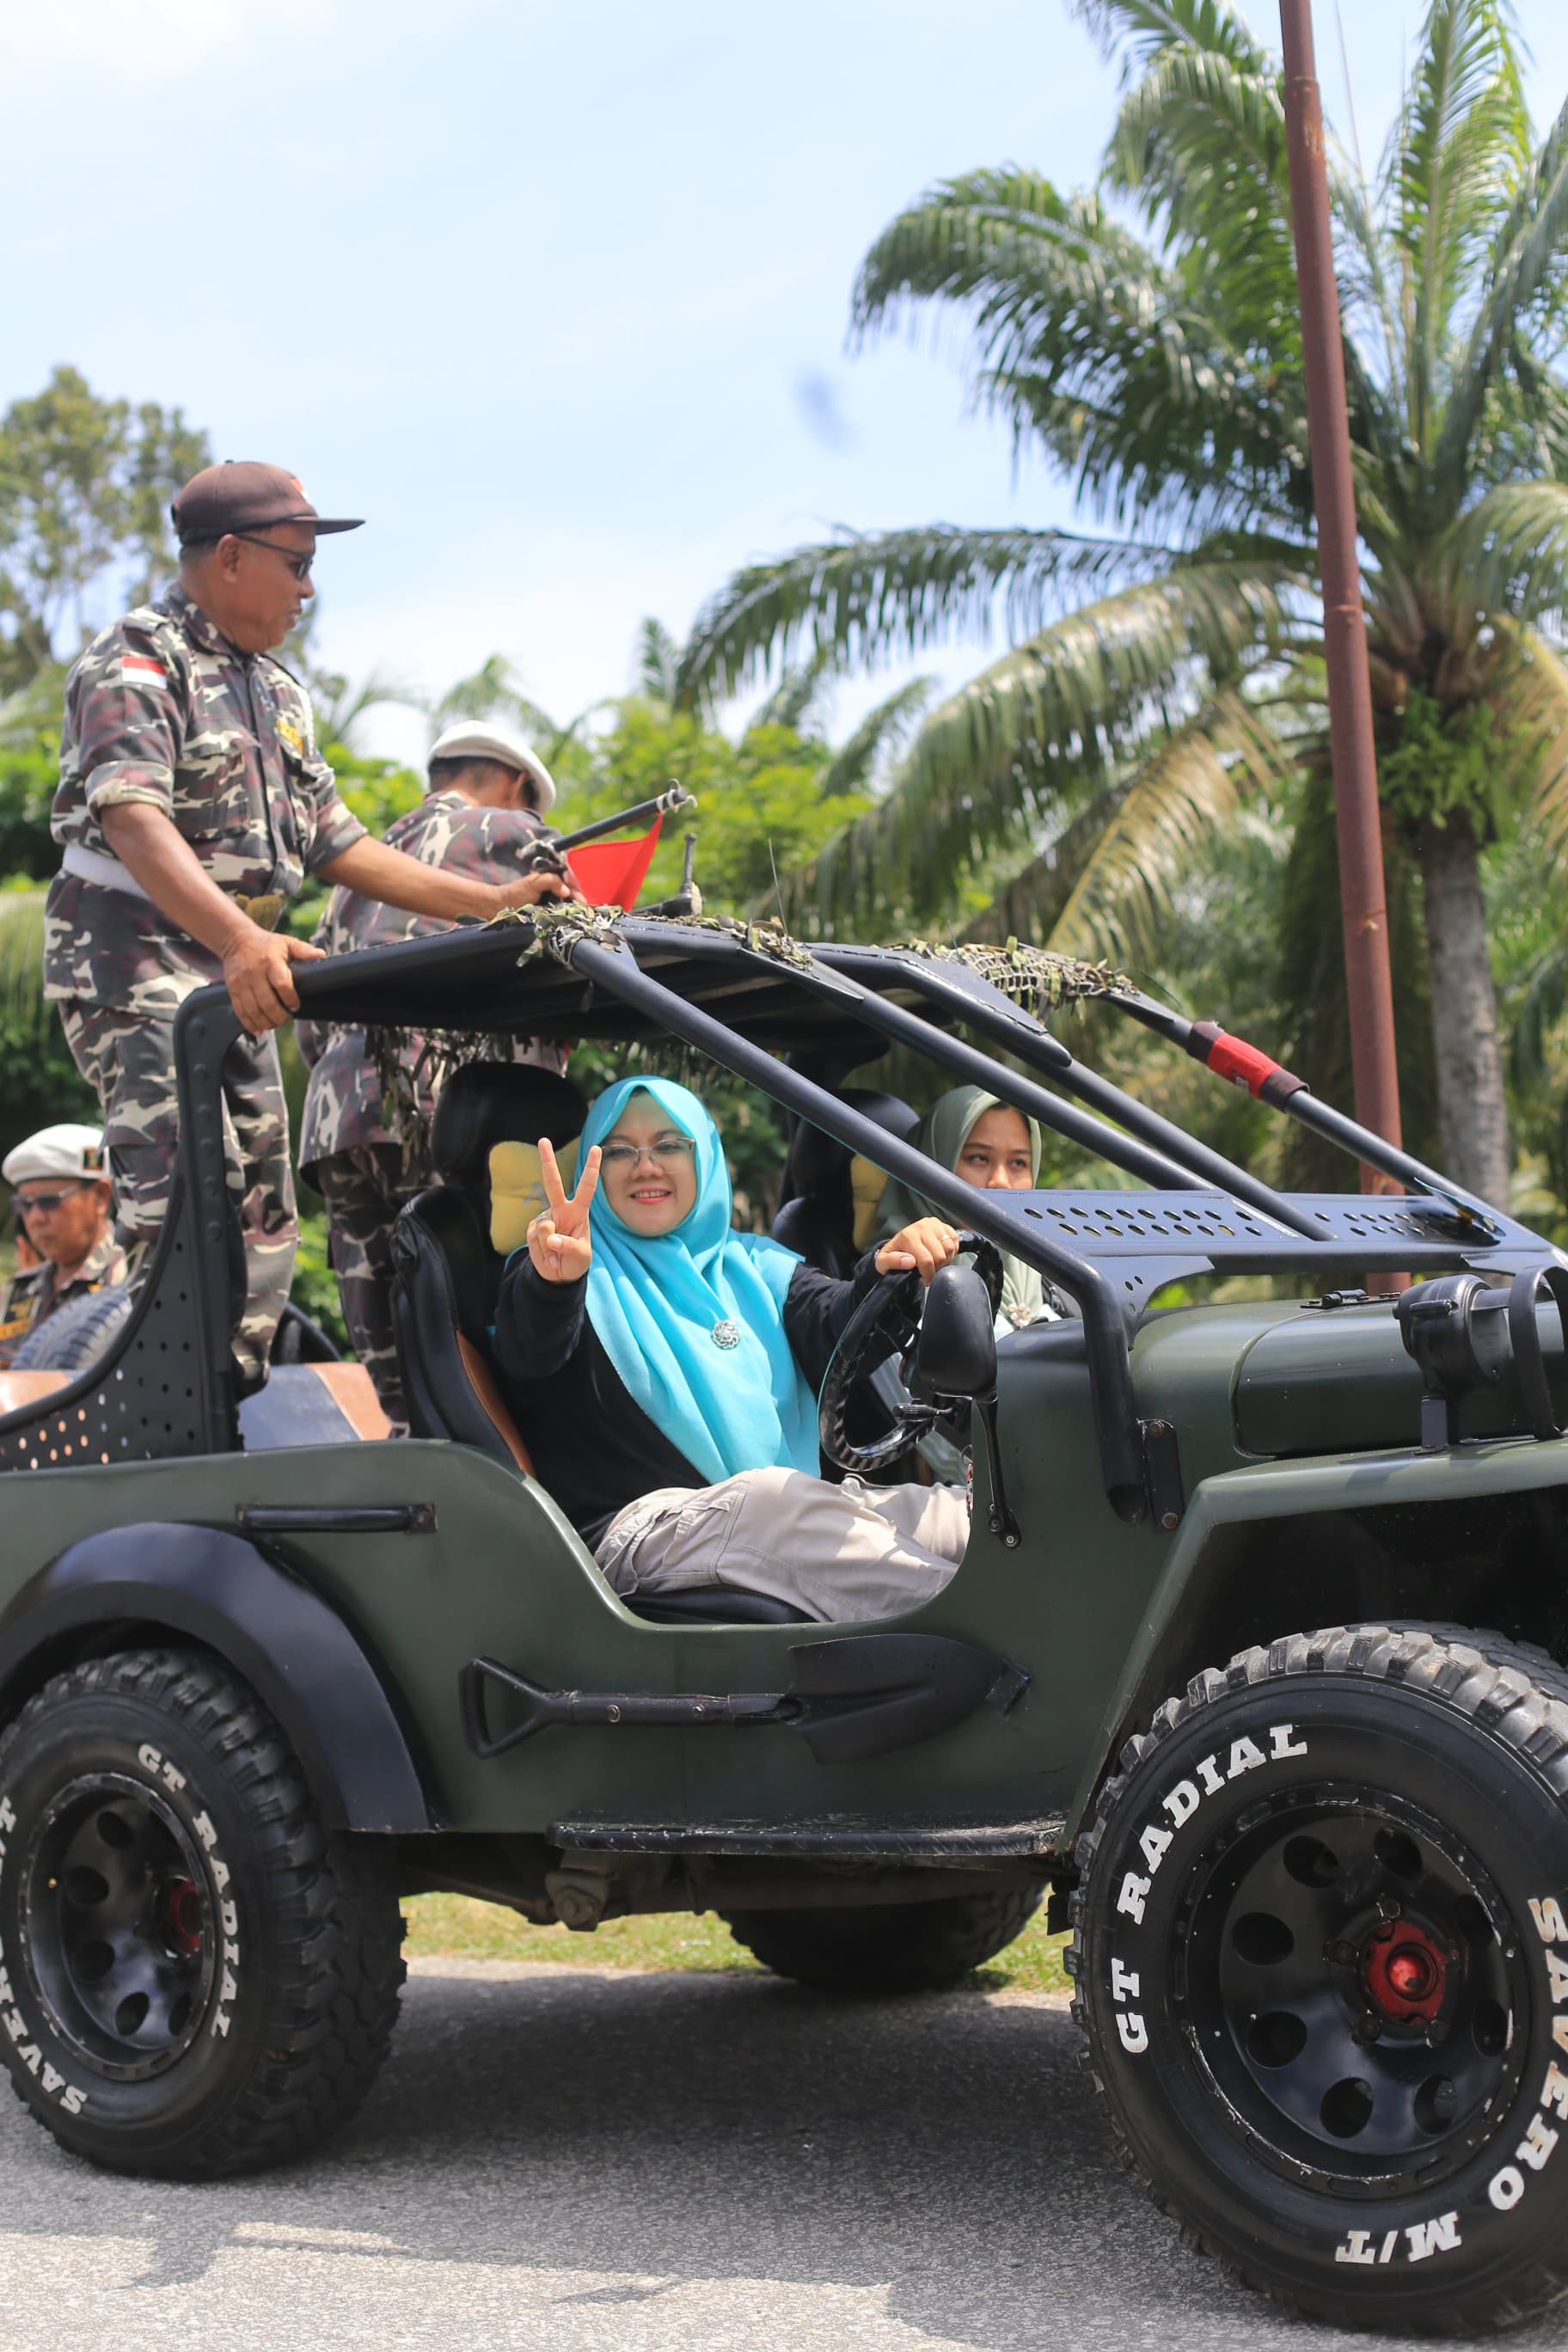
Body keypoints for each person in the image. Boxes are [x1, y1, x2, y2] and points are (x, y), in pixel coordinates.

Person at [43, 460, 576, 1386]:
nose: (309, 587)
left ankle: (225, 1402)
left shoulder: (277, 693)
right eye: (296, 564)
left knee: (260, 1214)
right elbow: (132, 817)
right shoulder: (136, 660)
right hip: (135, 952)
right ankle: (165, 1414)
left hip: (235, 963)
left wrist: (487, 902)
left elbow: (337, 840)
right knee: (180, 1202)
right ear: (233, 558)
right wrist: (239, 939)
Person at [493, 1076, 971, 1623]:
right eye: (621, 1150)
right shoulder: (563, 1265)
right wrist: (554, 1283)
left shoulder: (755, 1265)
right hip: (636, 1535)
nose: (646, 1166)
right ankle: (991, 1627)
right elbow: (529, 1352)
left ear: (706, 1157)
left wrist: (891, 1269)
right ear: (594, 1171)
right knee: (775, 1501)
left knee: (962, 1516)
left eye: (670, 1145)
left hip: (781, 1513)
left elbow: (837, 1325)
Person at [297, 718, 572, 1431]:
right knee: (467, 1309)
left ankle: (408, 1452)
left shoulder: (360, 863)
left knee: (383, 1316)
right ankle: (480, 1472)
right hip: (445, 1103)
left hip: (338, 1115)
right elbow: (572, 953)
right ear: (515, 784)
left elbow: (310, 1008)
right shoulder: (510, 832)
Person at [878, 1086, 1057, 1328]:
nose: (1001, 1181)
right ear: (934, 1164)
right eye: (979, 1158)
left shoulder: (1056, 1271)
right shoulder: (894, 1276)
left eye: (1018, 1162)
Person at [0, 1124, 126, 1369]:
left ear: (100, 1196)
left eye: (49, 1202)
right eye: (25, 1205)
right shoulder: (18, 1291)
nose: (35, 1218)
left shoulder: (131, 1281)